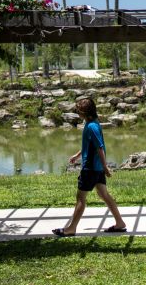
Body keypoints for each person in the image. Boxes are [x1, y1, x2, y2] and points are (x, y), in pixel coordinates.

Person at [54, 96, 128, 236]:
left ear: (84, 112)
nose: (77, 112)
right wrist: (77, 155)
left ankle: (71, 229)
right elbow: (91, 145)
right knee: (103, 194)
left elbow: (99, 148)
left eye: (78, 110)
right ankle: (120, 223)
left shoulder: (92, 126)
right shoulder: (93, 123)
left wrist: (105, 167)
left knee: (81, 197)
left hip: (91, 168)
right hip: (97, 167)